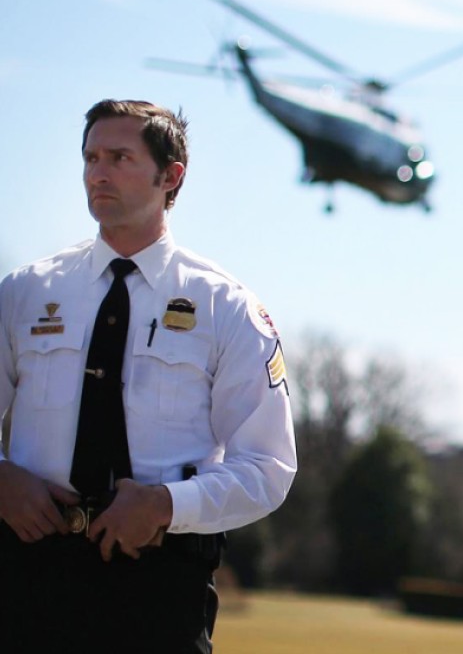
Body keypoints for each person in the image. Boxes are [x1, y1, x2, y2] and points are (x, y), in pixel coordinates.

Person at [0, 99, 298, 653]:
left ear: (171, 175)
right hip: (26, 575)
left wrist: (166, 505)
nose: (99, 173)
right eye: (90, 158)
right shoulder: (23, 294)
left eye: (119, 157)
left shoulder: (224, 307)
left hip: (160, 588)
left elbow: (268, 467)